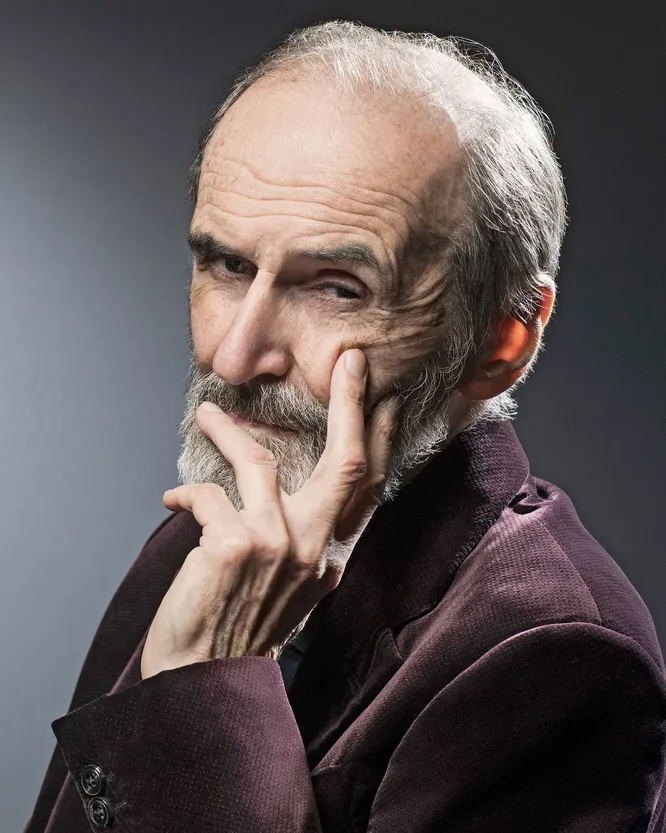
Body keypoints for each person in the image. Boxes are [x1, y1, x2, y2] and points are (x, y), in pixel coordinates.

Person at [25, 20, 666, 833]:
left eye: (336, 287)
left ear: (504, 339)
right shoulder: (223, 536)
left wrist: (208, 674)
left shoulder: (559, 658)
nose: (234, 354)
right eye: (228, 264)